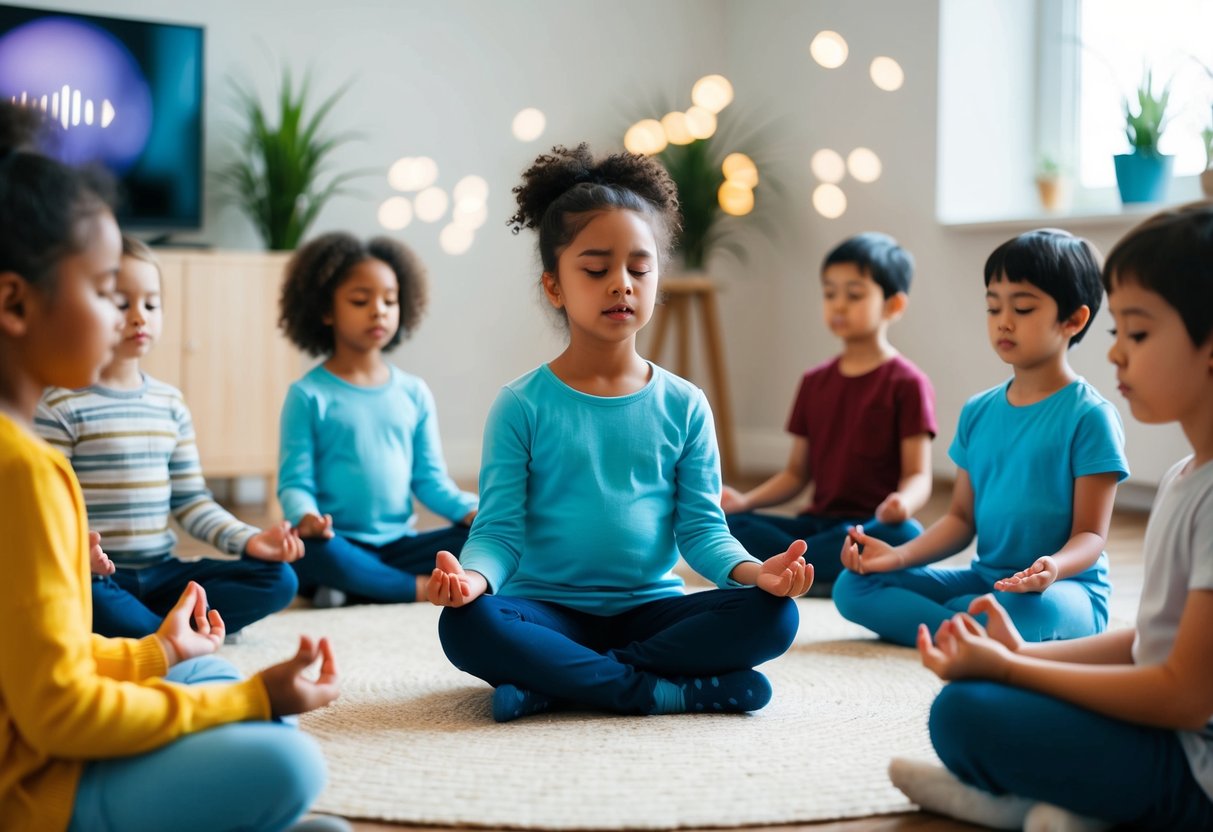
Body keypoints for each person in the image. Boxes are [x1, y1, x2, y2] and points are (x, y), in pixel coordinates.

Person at [0, 102, 342, 832]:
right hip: (37, 791)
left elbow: (36, 658)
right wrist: (252, 702)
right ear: (15, 302)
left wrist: (156, 654)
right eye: (103, 292)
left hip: (68, 700)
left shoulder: (26, 453)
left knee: (205, 666)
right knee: (291, 760)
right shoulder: (24, 470)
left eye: (139, 300)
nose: (126, 317)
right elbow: (58, 713)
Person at [429, 144, 808, 723]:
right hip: (545, 610)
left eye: (639, 267)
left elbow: (704, 531)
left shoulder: (685, 404)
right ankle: (654, 690)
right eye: (596, 267)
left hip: (650, 611)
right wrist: (472, 579)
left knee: (776, 616)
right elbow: (499, 532)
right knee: (467, 625)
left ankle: (560, 682)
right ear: (554, 286)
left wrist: (760, 573)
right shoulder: (520, 405)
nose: (621, 284)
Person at [891, 202, 1213, 831]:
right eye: (1119, 332)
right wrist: (1022, 659)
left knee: (963, 715)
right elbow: (1152, 643)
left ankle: (1075, 807)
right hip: (1166, 725)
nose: (1116, 354)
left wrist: (1017, 669)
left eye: (1139, 334)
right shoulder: (1183, 477)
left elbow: (1182, 694)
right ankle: (1060, 804)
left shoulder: (1116, 435)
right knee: (970, 702)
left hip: (1195, 768)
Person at [833, 229, 1129, 646]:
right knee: (853, 586)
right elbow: (960, 519)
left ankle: (964, 623)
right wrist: (896, 557)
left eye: (1023, 308)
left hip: (1065, 590)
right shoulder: (978, 411)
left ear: (1073, 320)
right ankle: (970, 626)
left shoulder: (1090, 417)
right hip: (986, 579)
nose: (1003, 321)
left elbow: (1091, 536)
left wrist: (1052, 568)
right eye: (993, 307)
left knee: (1017, 611)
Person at [35, 236, 301, 638]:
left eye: (151, 304)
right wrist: (77, 556)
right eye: (122, 303)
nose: (139, 316)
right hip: (97, 578)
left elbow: (192, 501)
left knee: (280, 580)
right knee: (83, 597)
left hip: (163, 574)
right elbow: (46, 511)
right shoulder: (60, 406)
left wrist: (250, 540)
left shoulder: (169, 403)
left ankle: (157, 633)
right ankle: (174, 636)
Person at [722, 232, 936, 597]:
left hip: (870, 526)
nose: (839, 305)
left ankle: (810, 572)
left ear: (893, 306)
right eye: (829, 293)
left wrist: (903, 503)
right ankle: (822, 570)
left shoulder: (907, 382)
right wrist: (746, 501)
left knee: (907, 534)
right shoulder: (814, 381)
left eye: (854, 295)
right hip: (816, 528)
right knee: (729, 524)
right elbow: (795, 474)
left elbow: (918, 474)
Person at [278, 232, 477, 607]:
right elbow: (294, 482)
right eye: (360, 300)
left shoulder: (413, 392)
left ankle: (360, 586)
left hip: (399, 545)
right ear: (325, 310)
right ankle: (416, 588)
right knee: (308, 553)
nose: (378, 310)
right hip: (337, 542)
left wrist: (473, 510)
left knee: (482, 536)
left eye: (389, 300)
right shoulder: (307, 395)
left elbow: (430, 480)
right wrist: (306, 518)